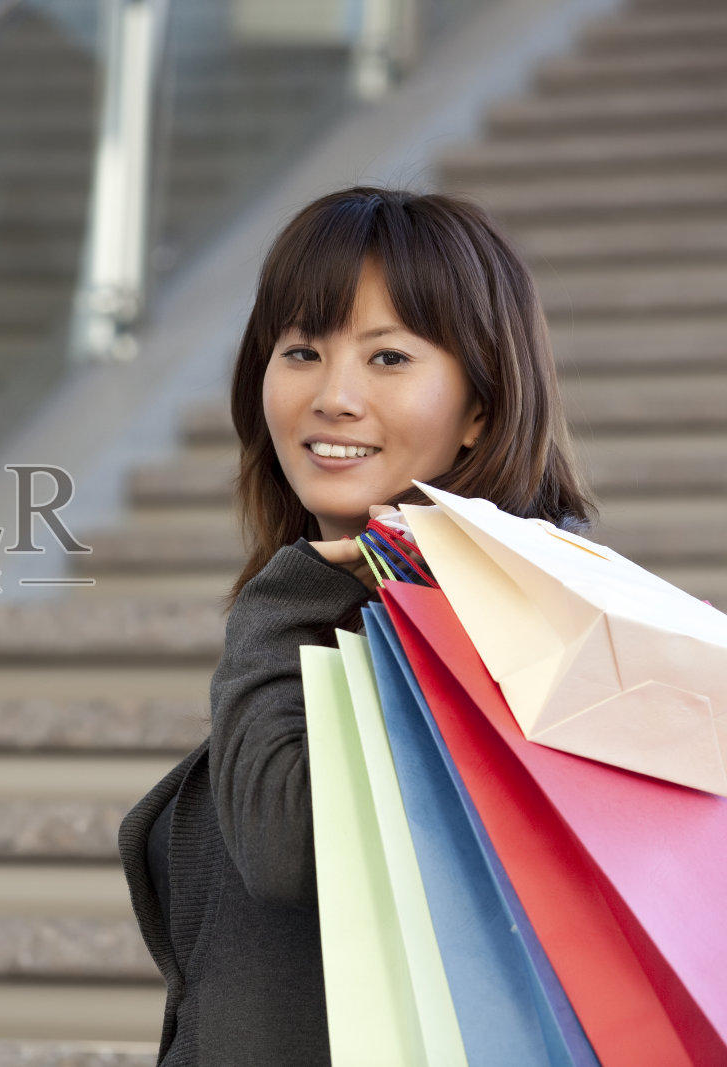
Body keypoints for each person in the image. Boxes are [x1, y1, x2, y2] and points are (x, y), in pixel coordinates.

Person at [117, 186, 594, 1066]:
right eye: (301, 349)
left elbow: (288, 851)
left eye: (388, 359)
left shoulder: (529, 629)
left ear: (479, 409)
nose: (332, 396)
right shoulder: (368, 607)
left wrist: (283, 593)